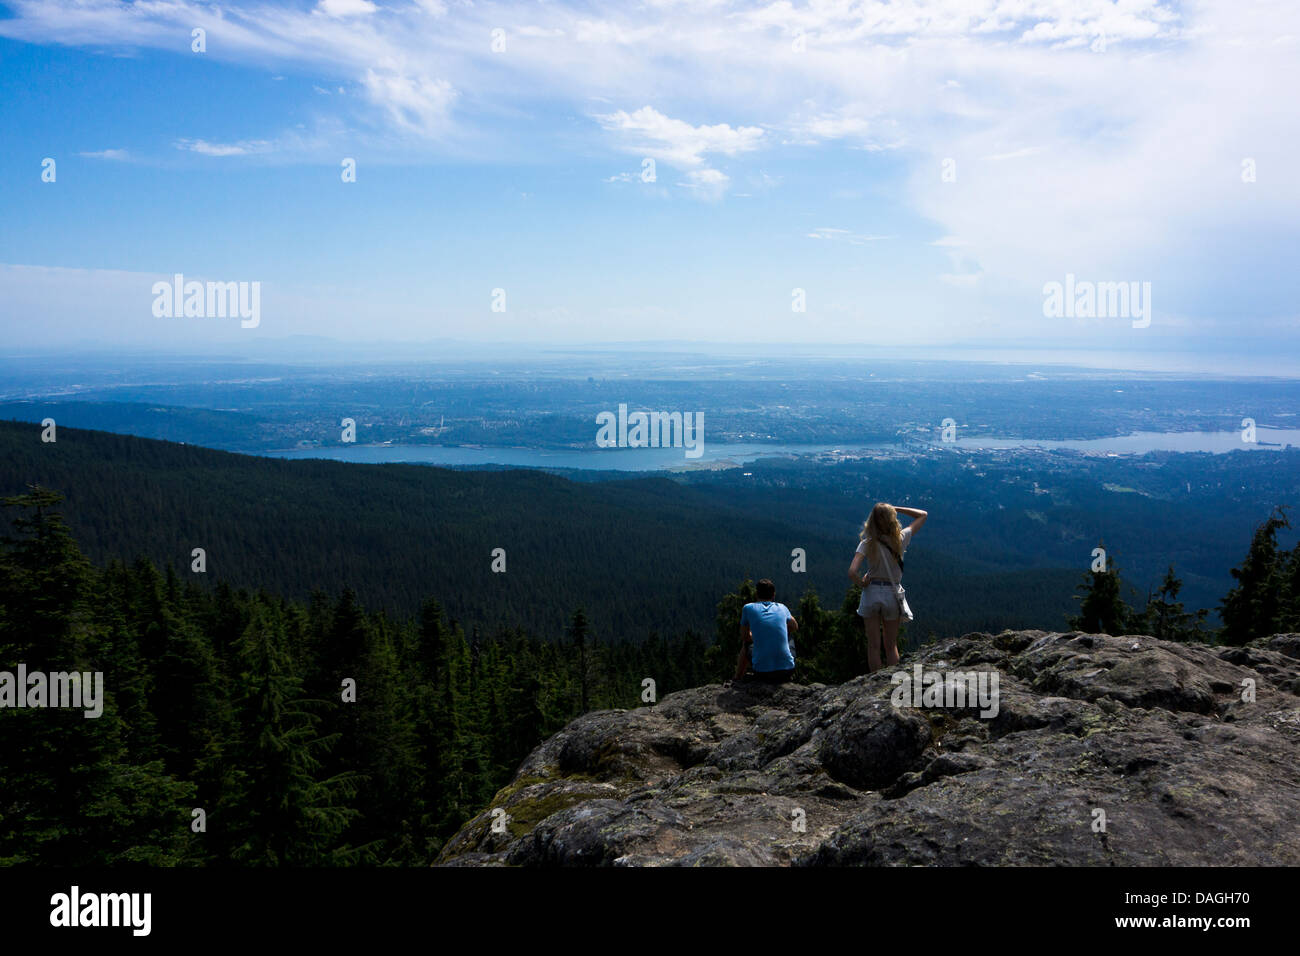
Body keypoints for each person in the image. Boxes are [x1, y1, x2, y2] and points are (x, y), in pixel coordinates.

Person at [847, 502, 927, 673]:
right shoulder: (900, 538)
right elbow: (923, 515)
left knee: (873, 646)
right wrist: (896, 509)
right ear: (891, 519)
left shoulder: (867, 543)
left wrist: (862, 583)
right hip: (892, 592)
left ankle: (875, 682)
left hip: (871, 593)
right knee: (891, 646)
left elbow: (852, 571)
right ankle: (893, 685)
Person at [733, 579, 798, 683]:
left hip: (761, 672)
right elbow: (794, 626)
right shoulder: (782, 607)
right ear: (773, 595)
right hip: (787, 671)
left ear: (756, 594)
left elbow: (745, 637)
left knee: (746, 644)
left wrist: (758, 636)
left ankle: (737, 678)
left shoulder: (748, 608)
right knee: (789, 636)